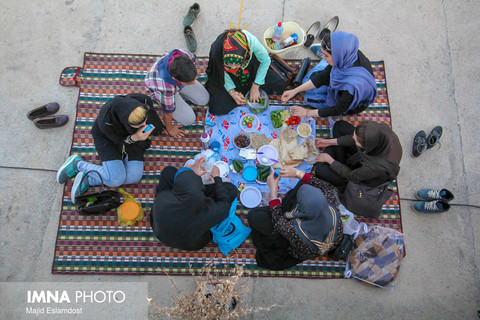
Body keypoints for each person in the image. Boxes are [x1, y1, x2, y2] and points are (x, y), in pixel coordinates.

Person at [57, 93, 164, 203]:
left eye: (145, 120)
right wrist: (134, 138)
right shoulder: (106, 121)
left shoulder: (142, 102)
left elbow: (151, 115)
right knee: (116, 180)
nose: (145, 124)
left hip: (133, 137)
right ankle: (78, 164)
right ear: (125, 122)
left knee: (134, 177)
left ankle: (90, 179)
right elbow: (118, 143)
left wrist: (156, 127)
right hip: (109, 140)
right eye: (139, 124)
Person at [247, 168, 343, 270]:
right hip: (306, 225)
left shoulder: (299, 234)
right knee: (305, 182)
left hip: (293, 245)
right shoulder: (330, 202)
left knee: (255, 216)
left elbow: (278, 221)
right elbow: (323, 186)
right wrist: (297, 173)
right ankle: (288, 205)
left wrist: (273, 191)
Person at [281, 31, 377, 118]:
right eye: (323, 54)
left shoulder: (352, 87)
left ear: (338, 57)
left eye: (326, 55)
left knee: (308, 98)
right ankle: (326, 56)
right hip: (338, 78)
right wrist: (295, 90)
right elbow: (324, 76)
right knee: (306, 81)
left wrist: (307, 113)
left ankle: (325, 62)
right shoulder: (347, 54)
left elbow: (338, 109)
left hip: (345, 99)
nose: (323, 57)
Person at [150, 158, 238, 251]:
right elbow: (225, 204)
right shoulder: (206, 213)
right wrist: (217, 178)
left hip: (161, 232)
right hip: (190, 243)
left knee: (168, 172)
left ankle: (188, 180)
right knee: (231, 190)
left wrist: (189, 175)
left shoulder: (162, 198)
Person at [205, 29, 285, 115]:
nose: (234, 68)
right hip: (228, 77)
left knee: (279, 84)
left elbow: (265, 61)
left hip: (250, 69)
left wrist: (255, 86)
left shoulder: (252, 42)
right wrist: (232, 92)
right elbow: (219, 71)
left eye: (237, 65)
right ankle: (241, 93)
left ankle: (247, 90)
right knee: (218, 108)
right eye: (229, 65)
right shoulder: (217, 50)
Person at [314, 120, 402, 188]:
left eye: (356, 141)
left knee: (320, 169)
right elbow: (353, 139)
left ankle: (340, 164)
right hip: (363, 157)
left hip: (357, 178)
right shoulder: (381, 132)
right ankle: (341, 161)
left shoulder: (375, 168)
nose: (353, 139)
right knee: (340, 126)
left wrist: (330, 161)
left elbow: (351, 176)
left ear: (367, 146)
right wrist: (328, 142)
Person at [145, 49, 210, 138]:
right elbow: (167, 113)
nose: (194, 83)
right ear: (175, 79)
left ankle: (181, 91)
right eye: (189, 82)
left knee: (204, 99)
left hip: (176, 84)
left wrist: (189, 80)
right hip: (164, 90)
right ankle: (176, 95)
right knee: (189, 120)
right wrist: (170, 128)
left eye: (195, 78)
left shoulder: (185, 55)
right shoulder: (165, 88)